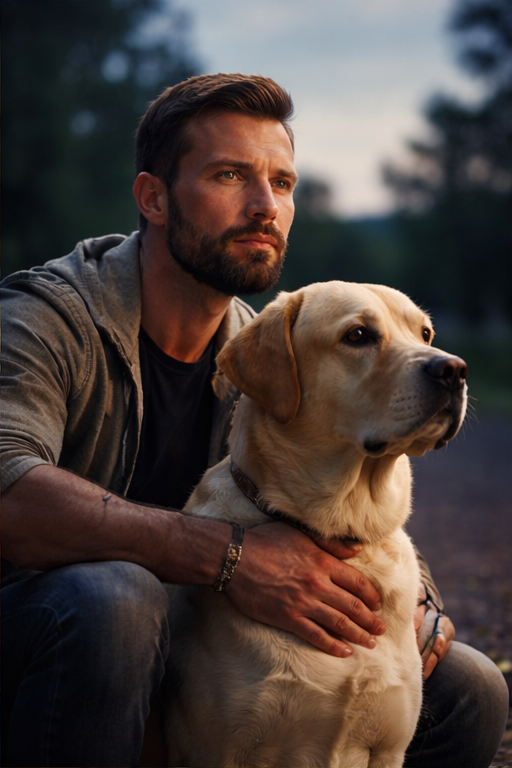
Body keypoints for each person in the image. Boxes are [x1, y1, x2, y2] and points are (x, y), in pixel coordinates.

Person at [1, 73, 508, 768]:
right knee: (115, 599)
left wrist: (408, 594)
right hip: (43, 646)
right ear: (153, 198)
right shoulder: (47, 318)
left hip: (194, 650)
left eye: (283, 181)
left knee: (469, 688)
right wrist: (230, 555)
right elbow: (8, 494)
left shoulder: (267, 343)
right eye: (230, 175)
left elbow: (330, 487)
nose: (266, 205)